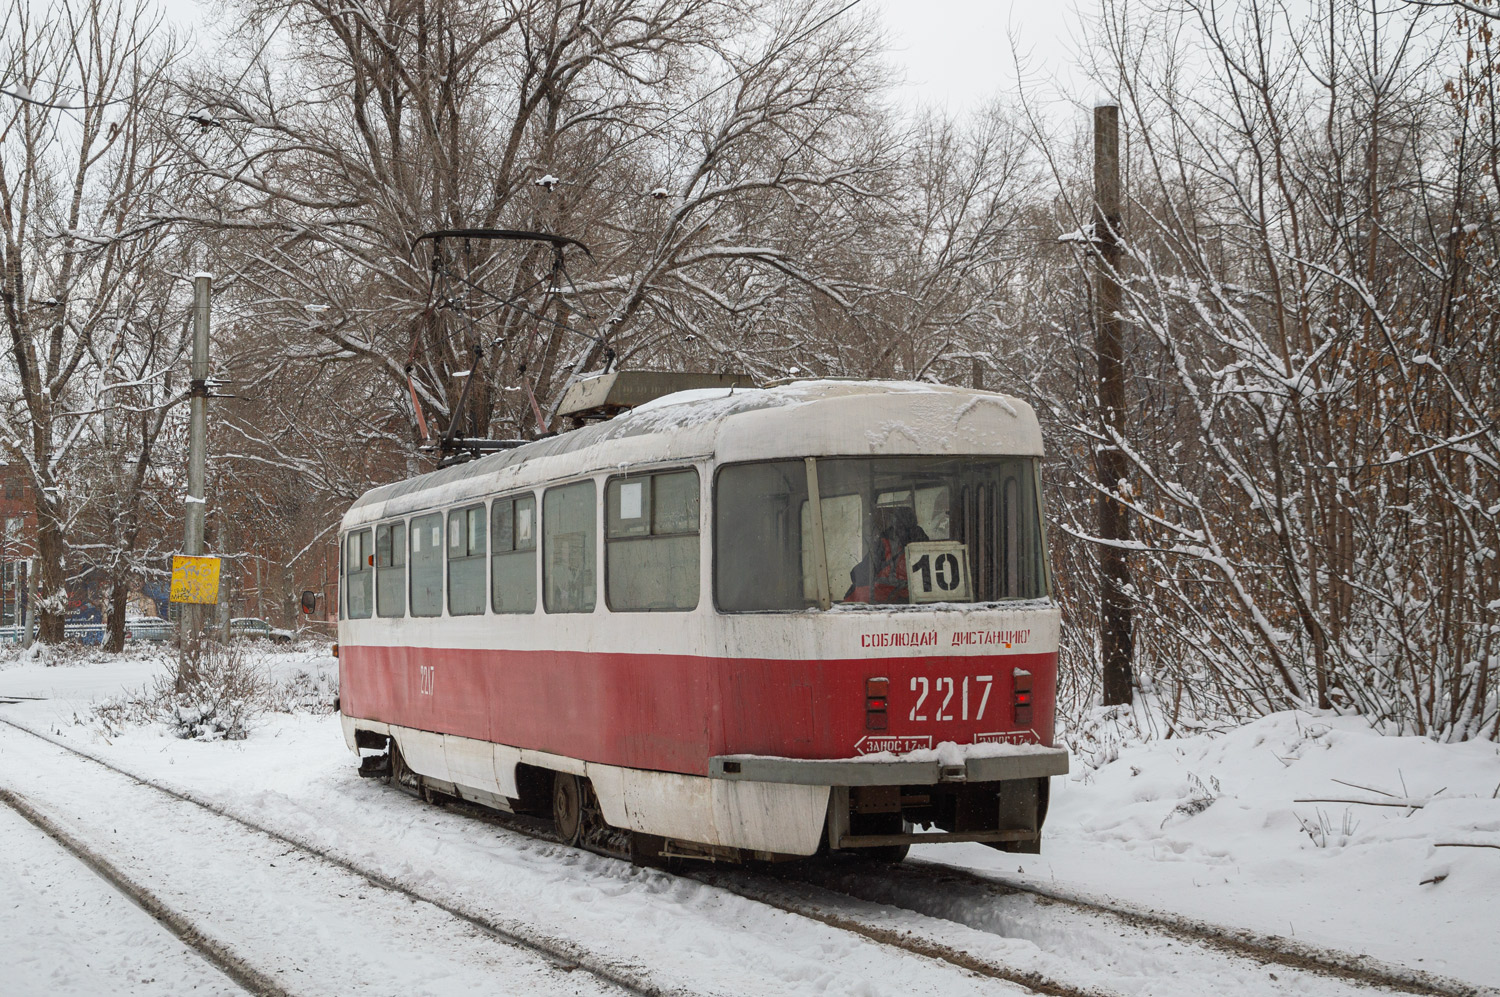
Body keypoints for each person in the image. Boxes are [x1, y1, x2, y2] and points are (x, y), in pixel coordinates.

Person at [844, 506, 928, 604]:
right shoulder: (923, 541)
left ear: (895, 522)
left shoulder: (885, 542)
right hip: (919, 599)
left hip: (887, 600)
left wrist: (855, 573)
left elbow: (861, 574)